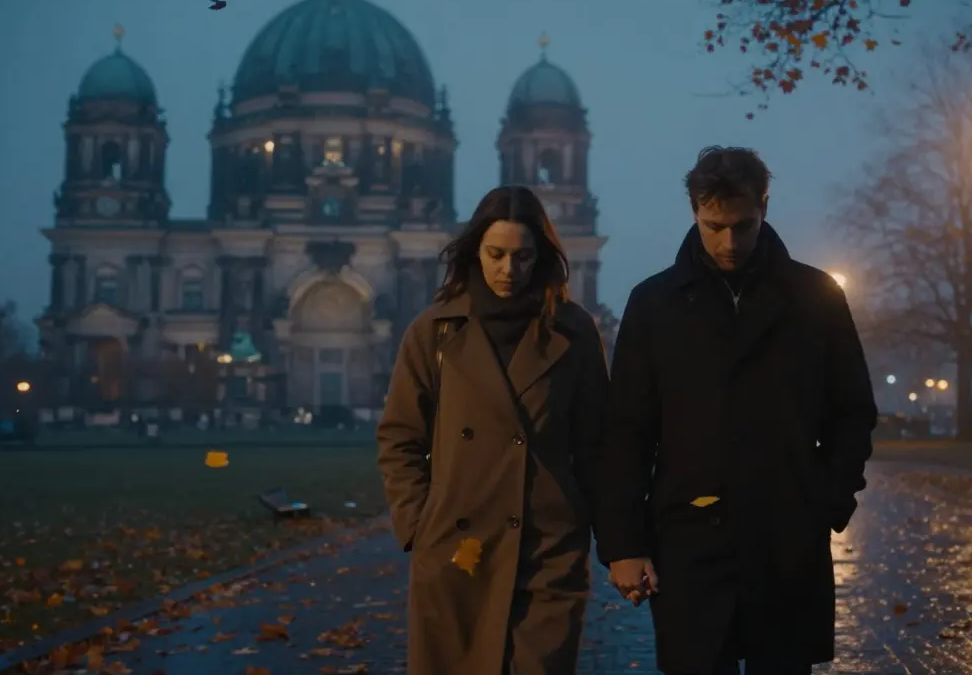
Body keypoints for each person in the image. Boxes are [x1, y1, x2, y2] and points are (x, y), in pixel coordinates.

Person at [595, 147, 878, 675]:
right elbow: (627, 431)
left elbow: (851, 410)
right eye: (714, 226)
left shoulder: (815, 296)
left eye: (742, 226)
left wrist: (826, 501)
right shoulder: (654, 303)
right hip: (689, 539)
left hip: (787, 537)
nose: (729, 242)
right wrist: (623, 545)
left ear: (765, 207)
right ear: (694, 212)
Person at [376, 185, 609, 674]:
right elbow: (400, 437)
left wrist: (598, 531)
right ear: (473, 252)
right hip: (458, 551)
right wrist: (419, 524)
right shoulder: (433, 331)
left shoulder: (574, 331)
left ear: (541, 256)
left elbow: (597, 444)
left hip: (546, 550)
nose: (509, 269)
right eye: (496, 254)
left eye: (522, 256)